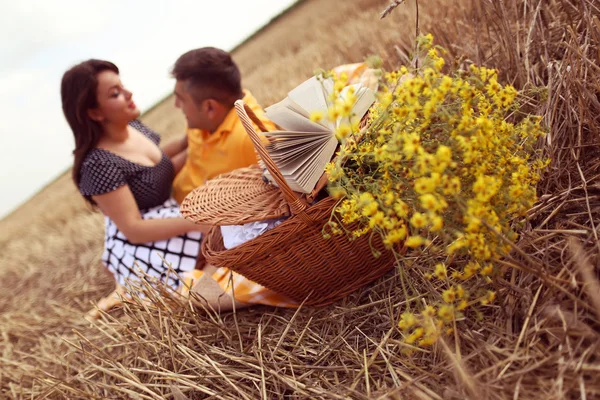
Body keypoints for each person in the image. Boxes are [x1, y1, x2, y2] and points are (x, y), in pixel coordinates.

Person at [60, 59, 210, 304]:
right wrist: (196, 223)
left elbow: (158, 168)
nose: (129, 93)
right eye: (116, 93)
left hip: (168, 216)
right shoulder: (98, 164)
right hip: (143, 237)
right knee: (197, 280)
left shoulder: (133, 126)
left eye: (122, 86)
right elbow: (134, 229)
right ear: (94, 112)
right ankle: (125, 288)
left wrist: (196, 138)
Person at [169, 47, 277, 204]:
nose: (176, 105)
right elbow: (180, 148)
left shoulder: (253, 140)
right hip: (171, 203)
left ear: (210, 108)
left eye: (181, 99)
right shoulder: (202, 121)